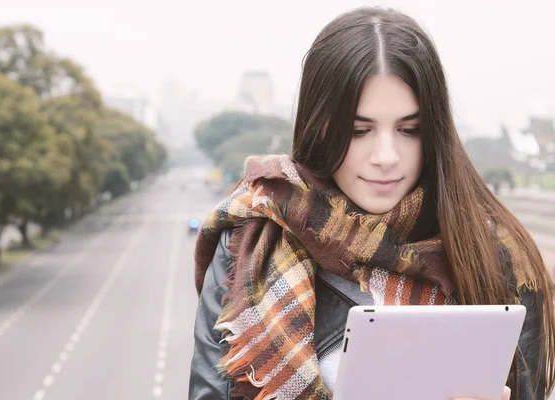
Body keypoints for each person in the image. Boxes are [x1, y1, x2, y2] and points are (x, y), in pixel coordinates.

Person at [189, 6, 554, 400]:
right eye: (359, 130)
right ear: (318, 127)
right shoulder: (249, 242)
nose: (386, 156)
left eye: (408, 130)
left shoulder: (495, 257)